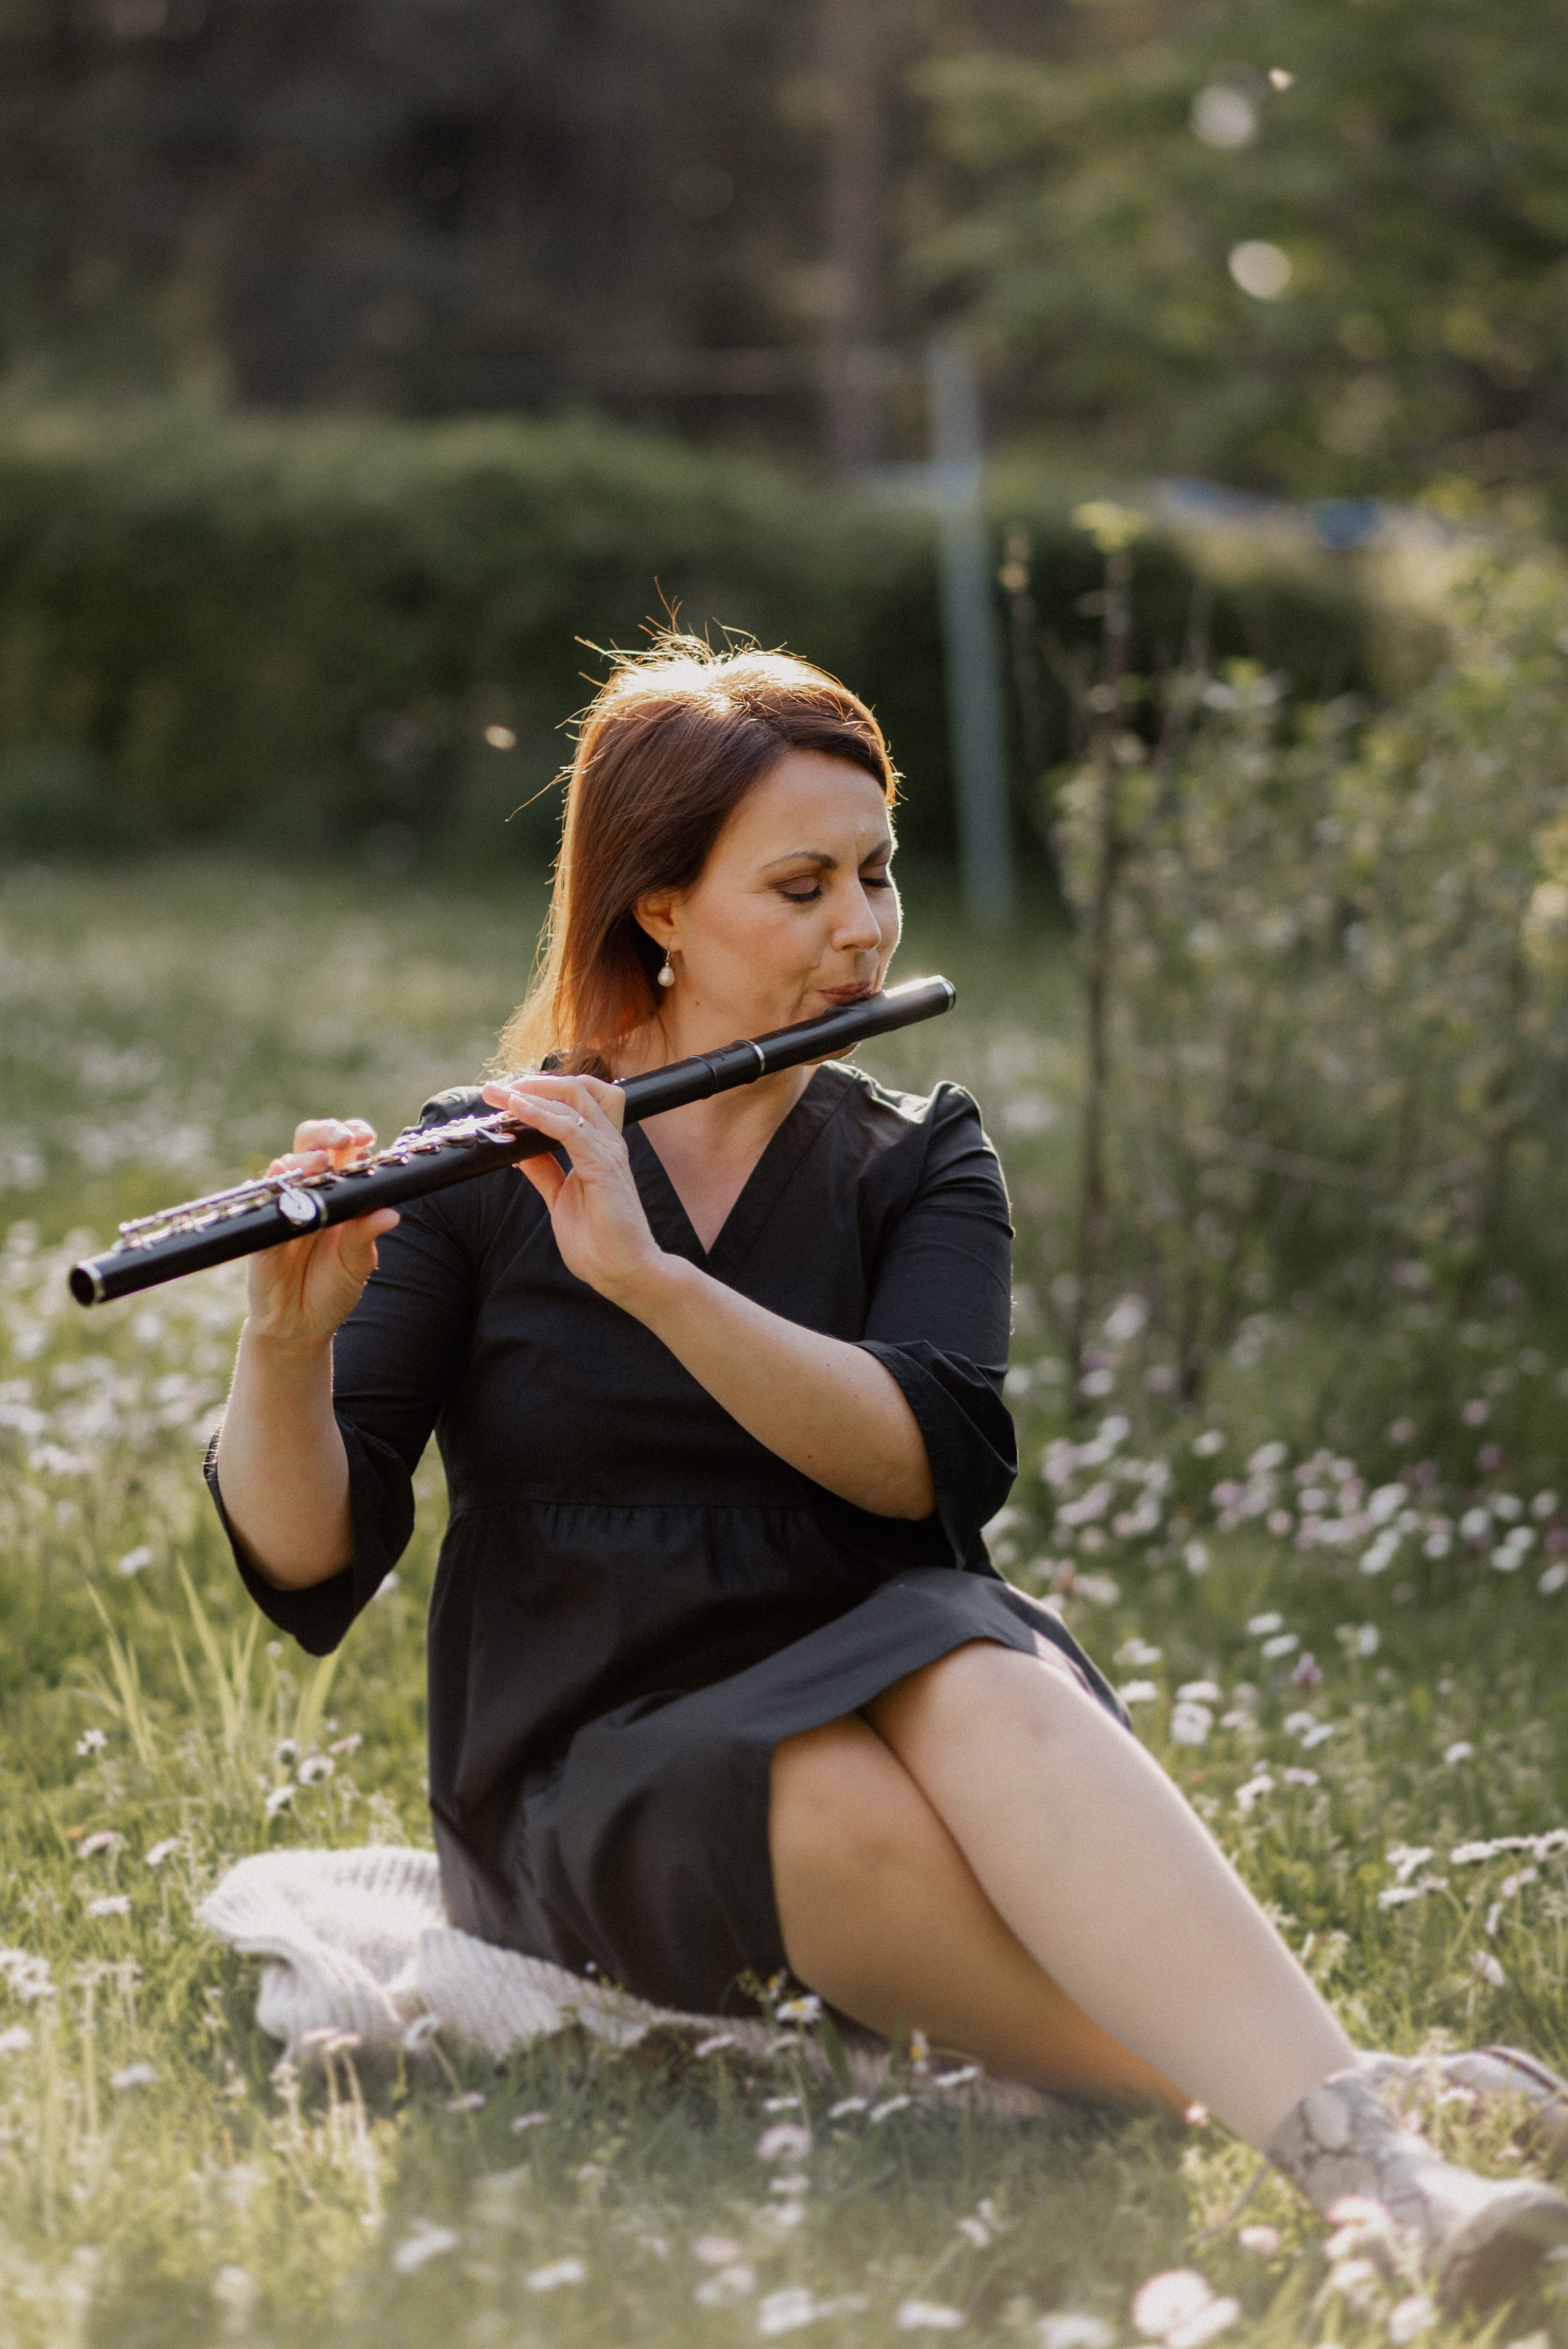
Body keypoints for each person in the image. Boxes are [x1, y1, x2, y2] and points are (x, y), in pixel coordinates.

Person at [209, 638, 1568, 2311]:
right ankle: (1367, 2112)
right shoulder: (488, 1161)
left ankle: (1391, 2190)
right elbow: (307, 1561)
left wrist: (654, 1280)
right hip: (586, 1761)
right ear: (661, 908)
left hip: (883, 1691)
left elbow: (922, 1459)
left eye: (877, 872)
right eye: (803, 887)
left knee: (976, 1668)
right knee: (826, 1791)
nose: (864, 926)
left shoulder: (920, 1155)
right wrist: (284, 1344)